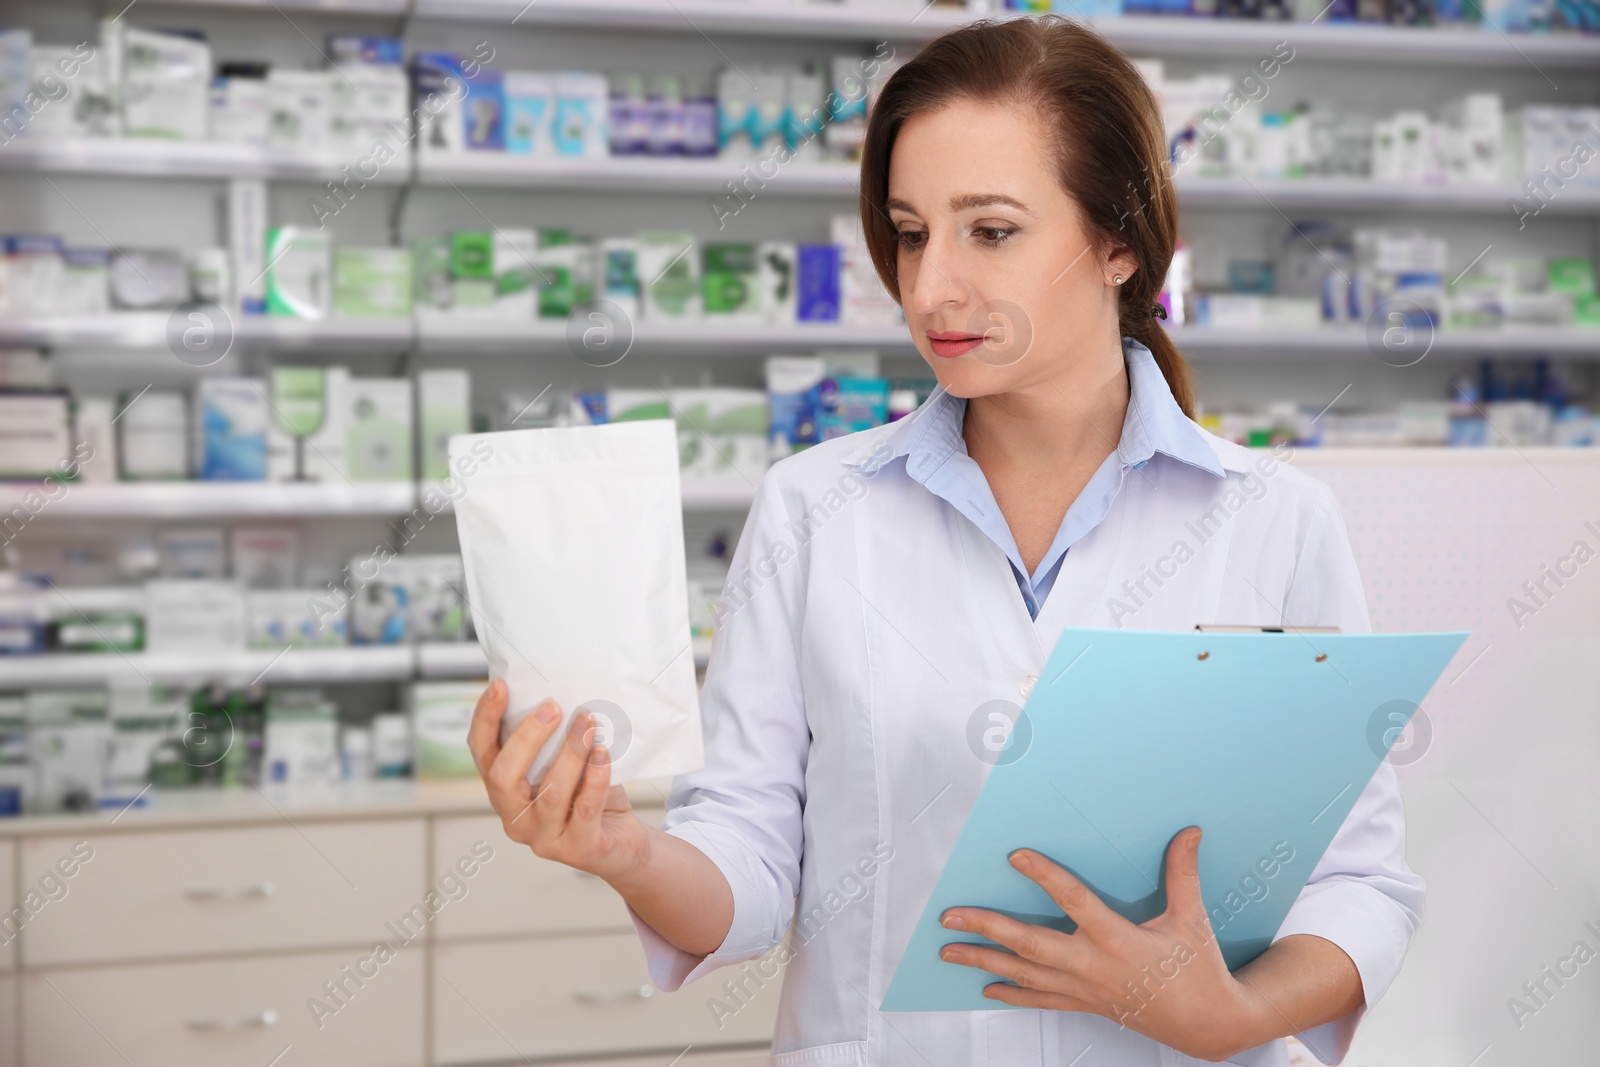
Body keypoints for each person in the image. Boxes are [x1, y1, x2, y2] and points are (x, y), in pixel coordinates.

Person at [468, 16, 1423, 1066]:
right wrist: (627, 851)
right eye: (911, 231)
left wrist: (1232, 1014)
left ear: (1119, 241)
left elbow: (1358, 881)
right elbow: (747, 860)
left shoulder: (1272, 518)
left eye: (992, 231)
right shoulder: (813, 507)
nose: (929, 289)